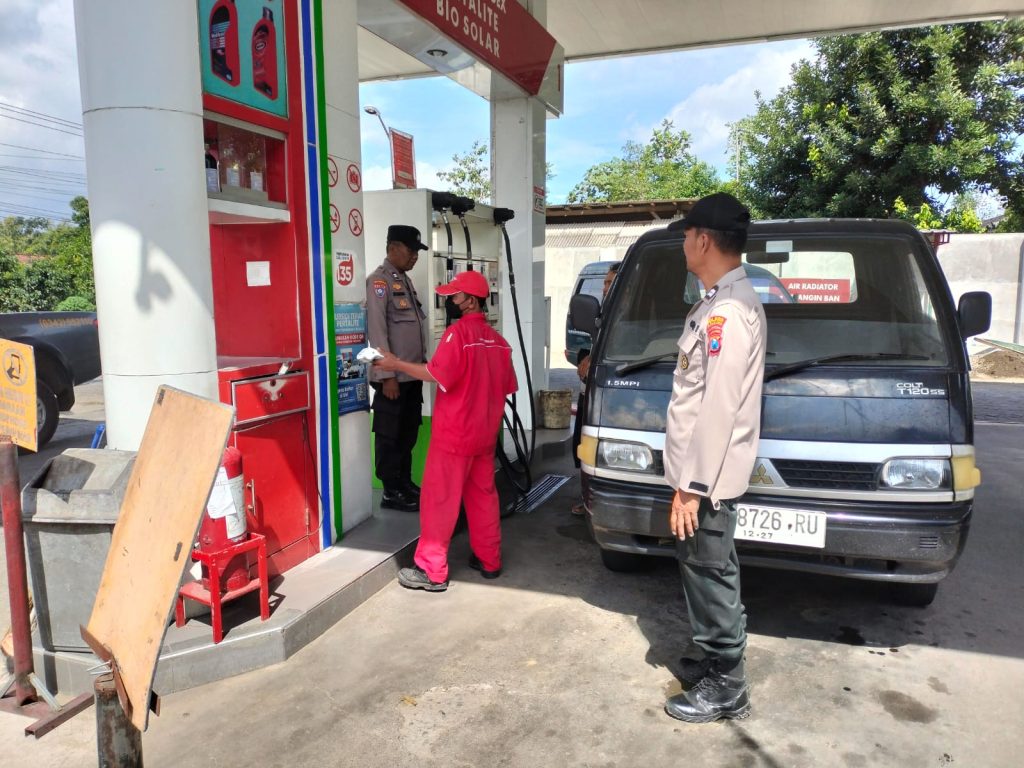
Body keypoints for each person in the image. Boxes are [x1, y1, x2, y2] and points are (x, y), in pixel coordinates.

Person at [661, 192, 766, 723]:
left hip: (706, 484)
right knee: (703, 568)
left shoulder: (729, 313)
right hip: (699, 479)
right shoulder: (715, 304)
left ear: (703, 240)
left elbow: (718, 409)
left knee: (710, 572)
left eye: (686, 235)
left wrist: (691, 488)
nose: (683, 243)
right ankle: (712, 658)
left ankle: (728, 685)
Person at [373, 269, 517, 592]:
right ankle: (489, 560)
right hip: (484, 438)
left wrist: (395, 364)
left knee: (440, 502)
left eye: (454, 295)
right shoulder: (499, 343)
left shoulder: (457, 335)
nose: (449, 300)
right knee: (483, 498)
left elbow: (436, 373)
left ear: (470, 301)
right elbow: (507, 386)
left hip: (454, 437)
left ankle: (431, 570)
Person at [366, 224, 429, 512]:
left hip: (411, 375)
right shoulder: (379, 282)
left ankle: (404, 482)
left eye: (417, 251)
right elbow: (377, 331)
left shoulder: (404, 280)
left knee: (408, 432)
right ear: (393, 248)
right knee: (390, 435)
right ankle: (391, 490)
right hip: (393, 379)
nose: (415, 256)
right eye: (411, 250)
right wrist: (386, 375)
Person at [571, 262, 619, 515]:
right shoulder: (603, 313)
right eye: (605, 283)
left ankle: (600, 499)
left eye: (610, 283)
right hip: (590, 391)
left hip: (612, 395)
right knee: (583, 445)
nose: (605, 288)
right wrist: (589, 357)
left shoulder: (625, 314)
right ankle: (587, 494)